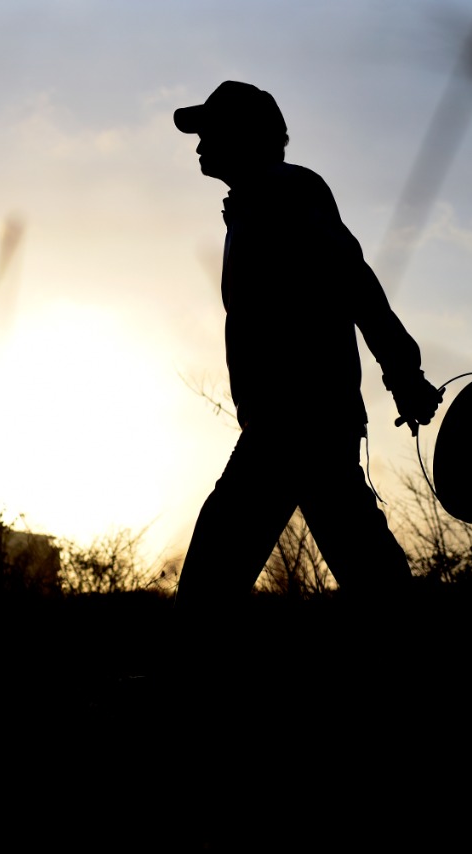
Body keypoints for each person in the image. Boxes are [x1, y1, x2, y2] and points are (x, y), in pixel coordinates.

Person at [172, 81, 444, 615]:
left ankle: (185, 680)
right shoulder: (256, 203)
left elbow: (354, 281)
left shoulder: (286, 192)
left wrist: (403, 373)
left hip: (297, 420)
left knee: (213, 570)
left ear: (245, 136)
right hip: (298, 421)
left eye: (210, 131)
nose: (199, 144)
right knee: (367, 565)